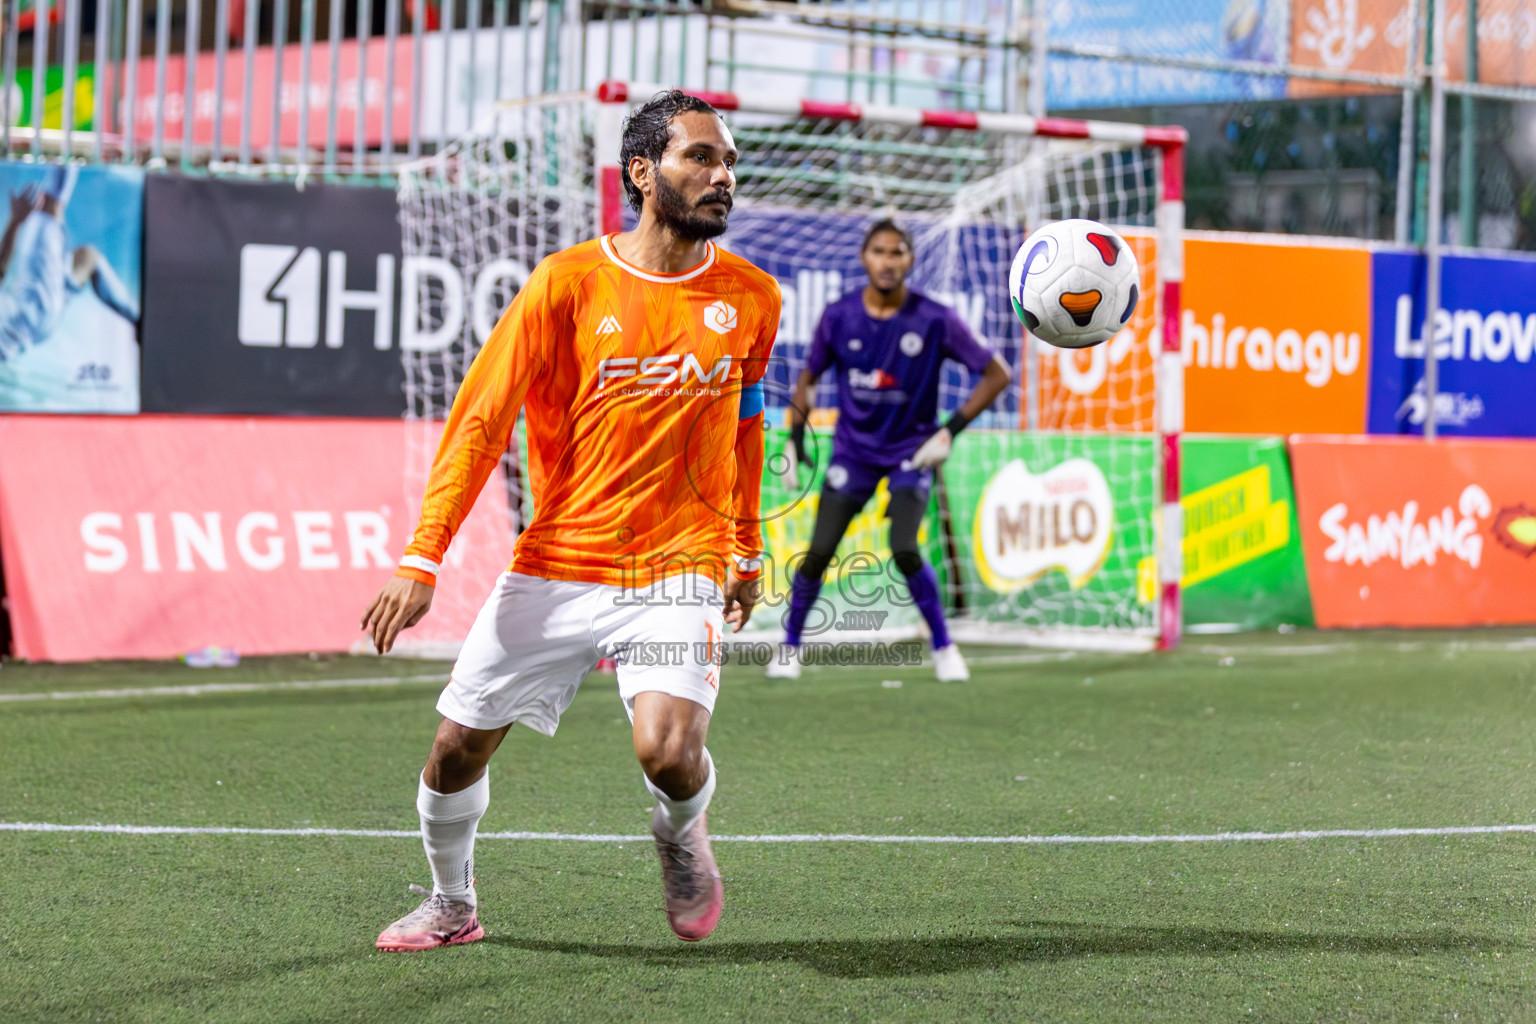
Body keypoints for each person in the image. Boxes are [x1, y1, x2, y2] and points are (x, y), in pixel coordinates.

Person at [361, 89, 780, 950]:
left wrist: (745, 544)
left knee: (666, 751)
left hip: (678, 565)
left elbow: (745, 428)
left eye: (729, 160)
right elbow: (481, 419)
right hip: (557, 561)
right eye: (701, 156)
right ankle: (452, 904)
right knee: (452, 753)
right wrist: (422, 558)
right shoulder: (565, 284)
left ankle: (681, 833)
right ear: (642, 172)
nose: (722, 175)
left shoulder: (754, 297)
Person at [767, 219, 1010, 682]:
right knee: (818, 551)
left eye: (897, 252)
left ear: (910, 261)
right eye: (879, 251)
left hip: (910, 454)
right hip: (853, 452)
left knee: (904, 547)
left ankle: (944, 646)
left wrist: (949, 432)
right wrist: (795, 444)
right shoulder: (839, 315)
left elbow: (997, 373)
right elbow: (807, 380)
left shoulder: (935, 318)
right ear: (864, 258)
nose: (888, 260)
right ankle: (790, 646)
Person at [0, 165, 139, 363]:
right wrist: (15, 221)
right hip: (28, 313)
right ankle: (67, 150)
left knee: (87, 257)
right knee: (49, 206)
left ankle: (140, 320)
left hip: (36, 328)